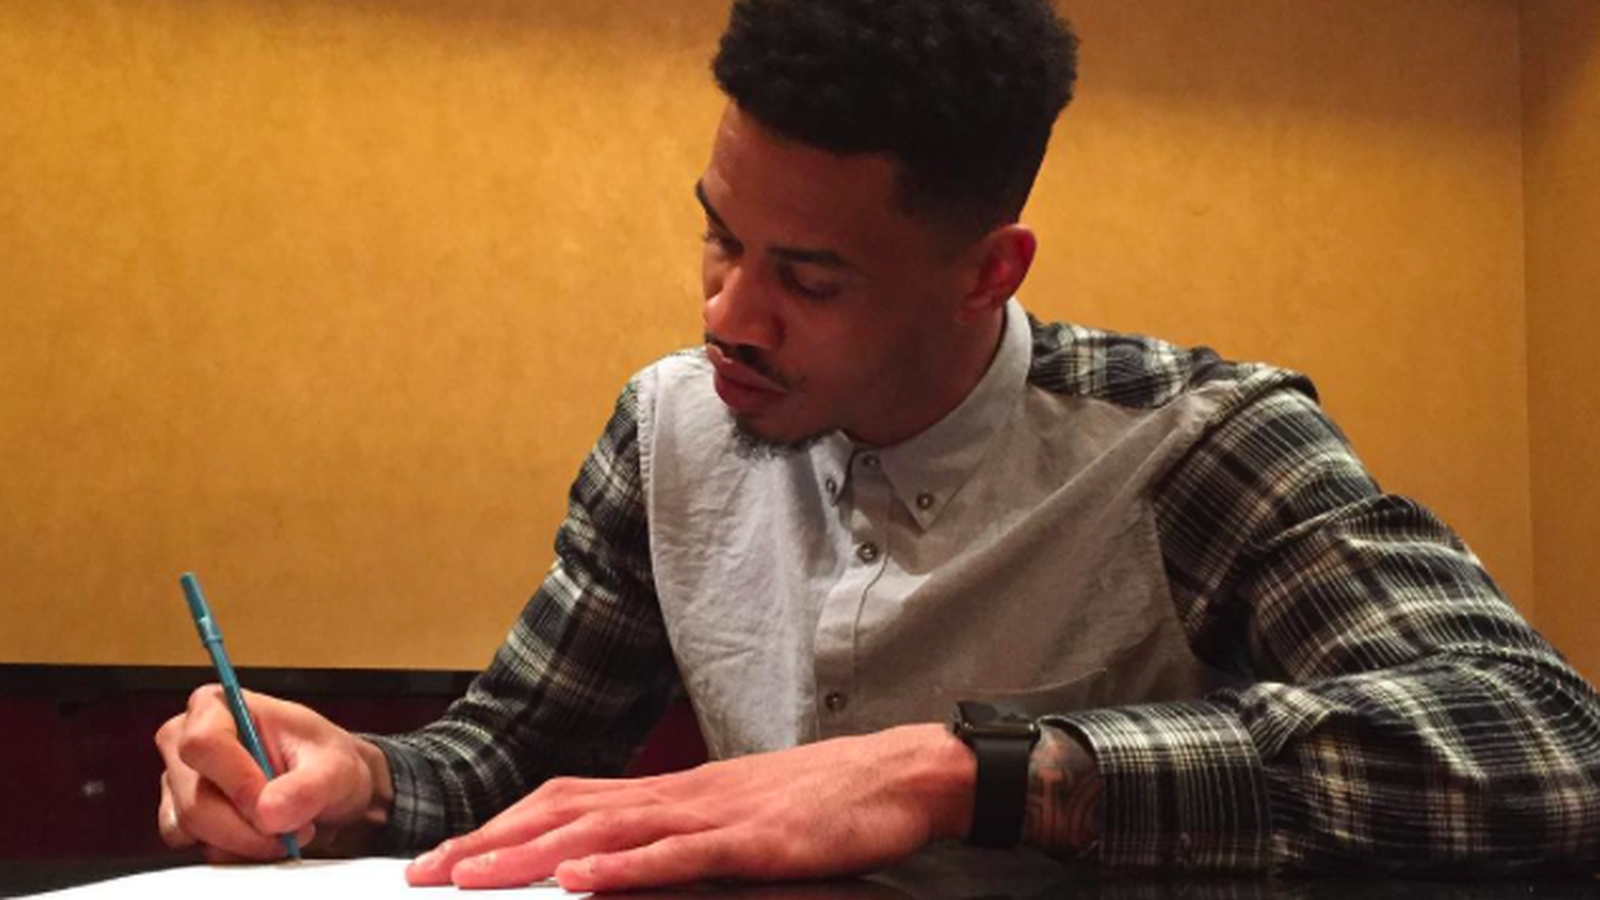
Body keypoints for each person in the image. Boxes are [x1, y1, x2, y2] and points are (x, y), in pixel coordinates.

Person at [154, 0, 1600, 891]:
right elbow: (511, 755)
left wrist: (963, 774)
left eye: (810, 277)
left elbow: (1544, 745)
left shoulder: (1193, 443)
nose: (729, 315)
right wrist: (353, 777)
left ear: (987, 272)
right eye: (720, 237)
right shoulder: (668, 428)